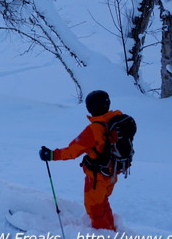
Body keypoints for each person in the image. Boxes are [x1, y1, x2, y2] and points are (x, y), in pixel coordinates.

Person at [39, 90, 121, 231]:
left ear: (92, 108)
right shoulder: (116, 121)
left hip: (97, 177)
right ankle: (111, 231)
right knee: (102, 202)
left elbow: (73, 151)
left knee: (95, 209)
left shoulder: (94, 129)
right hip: (112, 173)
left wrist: (52, 155)